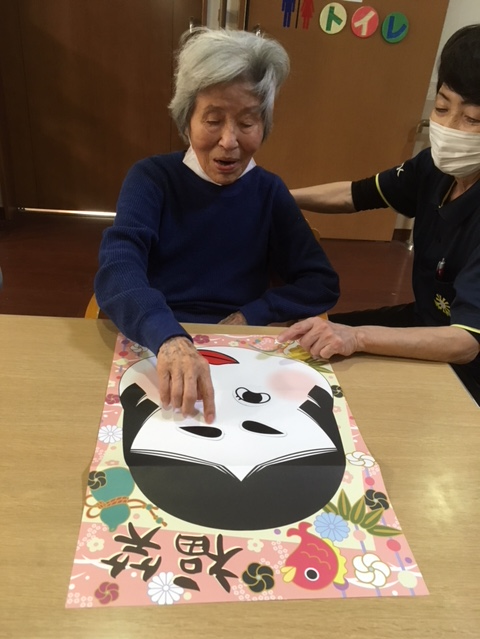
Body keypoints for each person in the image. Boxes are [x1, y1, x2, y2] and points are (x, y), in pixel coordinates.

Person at [95, 28, 339, 424]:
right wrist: (168, 336)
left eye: (247, 122)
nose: (229, 141)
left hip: (242, 350)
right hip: (156, 339)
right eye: (212, 120)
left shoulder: (268, 191)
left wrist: (251, 314)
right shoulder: (151, 178)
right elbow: (117, 269)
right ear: (187, 120)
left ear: (264, 125)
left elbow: (321, 282)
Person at [278, 24, 480, 397]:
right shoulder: (433, 168)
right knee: (304, 341)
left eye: (472, 119)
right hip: (422, 322)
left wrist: (357, 337)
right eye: (441, 107)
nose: (449, 128)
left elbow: (465, 343)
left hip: (467, 366)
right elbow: (355, 194)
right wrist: (276, 195)